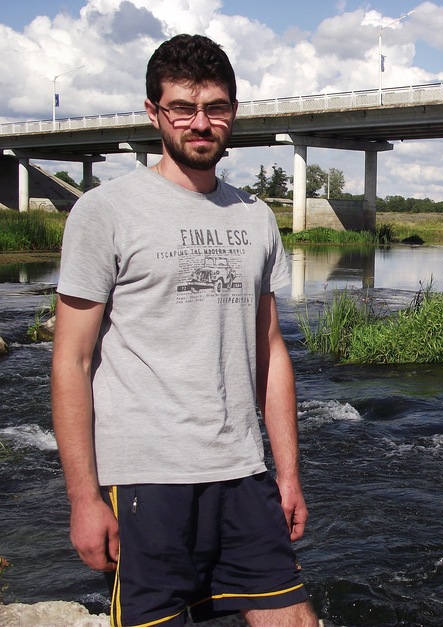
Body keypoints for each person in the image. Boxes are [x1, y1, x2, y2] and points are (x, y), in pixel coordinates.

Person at [51, 34, 319, 626]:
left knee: (295, 619)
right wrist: (83, 498)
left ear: (233, 111)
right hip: (146, 478)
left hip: (243, 472)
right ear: (154, 113)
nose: (200, 123)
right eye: (183, 108)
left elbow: (270, 352)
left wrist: (288, 474)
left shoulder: (255, 216)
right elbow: (71, 361)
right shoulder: (105, 212)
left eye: (216, 107)